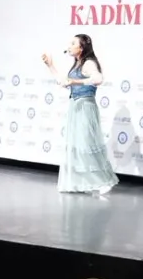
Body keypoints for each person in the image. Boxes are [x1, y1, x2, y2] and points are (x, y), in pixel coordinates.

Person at [42, 34, 118, 195]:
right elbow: (65, 82)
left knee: (87, 144)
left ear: (81, 48)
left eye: (73, 43)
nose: (69, 46)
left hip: (85, 105)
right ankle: (80, 183)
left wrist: (77, 81)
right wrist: (51, 66)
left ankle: (103, 181)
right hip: (75, 105)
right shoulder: (77, 64)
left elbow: (98, 79)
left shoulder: (89, 63)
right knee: (76, 146)